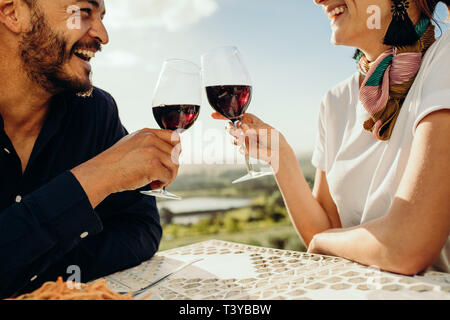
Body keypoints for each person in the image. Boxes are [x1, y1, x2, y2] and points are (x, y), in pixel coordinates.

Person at [214, 0, 450, 275]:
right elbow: (326, 226)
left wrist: (322, 242)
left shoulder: (444, 60)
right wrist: (280, 157)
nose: (318, 0)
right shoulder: (335, 101)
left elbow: (406, 246)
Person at [0, 0, 181, 299]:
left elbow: (142, 228)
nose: (103, 35)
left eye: (101, 16)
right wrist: (100, 177)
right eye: (83, 11)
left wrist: (31, 267)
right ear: (12, 13)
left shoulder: (95, 111)